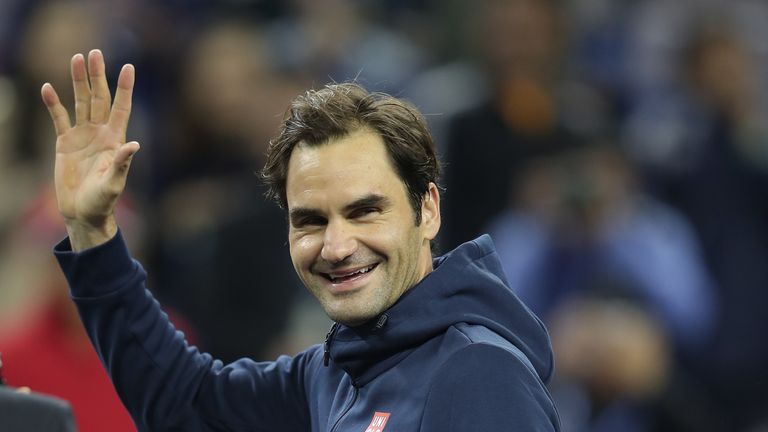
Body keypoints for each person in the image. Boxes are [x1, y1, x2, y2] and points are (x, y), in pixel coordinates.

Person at [40, 49, 560, 431]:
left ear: (427, 209)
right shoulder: (336, 370)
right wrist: (93, 230)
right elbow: (184, 402)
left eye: (365, 211)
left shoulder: (476, 372)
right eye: (310, 220)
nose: (335, 246)